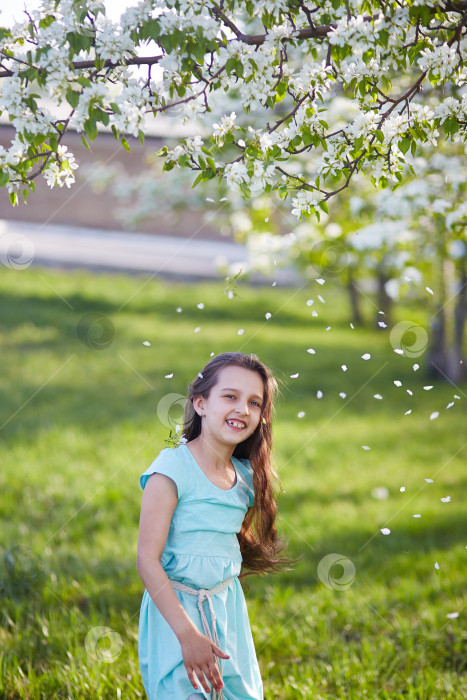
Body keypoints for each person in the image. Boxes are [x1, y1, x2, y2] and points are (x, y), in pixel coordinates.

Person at [136, 351, 290, 700]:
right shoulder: (172, 470)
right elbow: (147, 560)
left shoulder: (246, 479)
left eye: (255, 402)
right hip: (176, 613)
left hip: (225, 609)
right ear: (201, 404)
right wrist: (187, 635)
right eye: (230, 397)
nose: (243, 409)